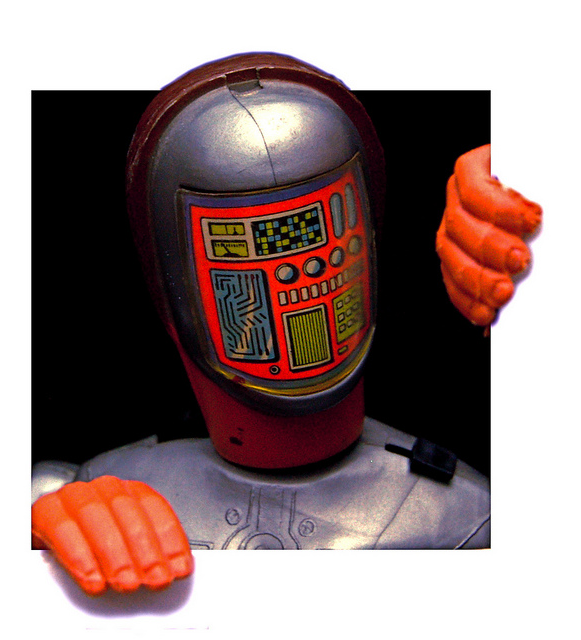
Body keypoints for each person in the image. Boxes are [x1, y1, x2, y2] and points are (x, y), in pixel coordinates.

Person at [31, 53, 541, 596]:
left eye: (320, 239)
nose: (294, 286)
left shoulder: (463, 517)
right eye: (245, 246)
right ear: (169, 285)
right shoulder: (107, 491)